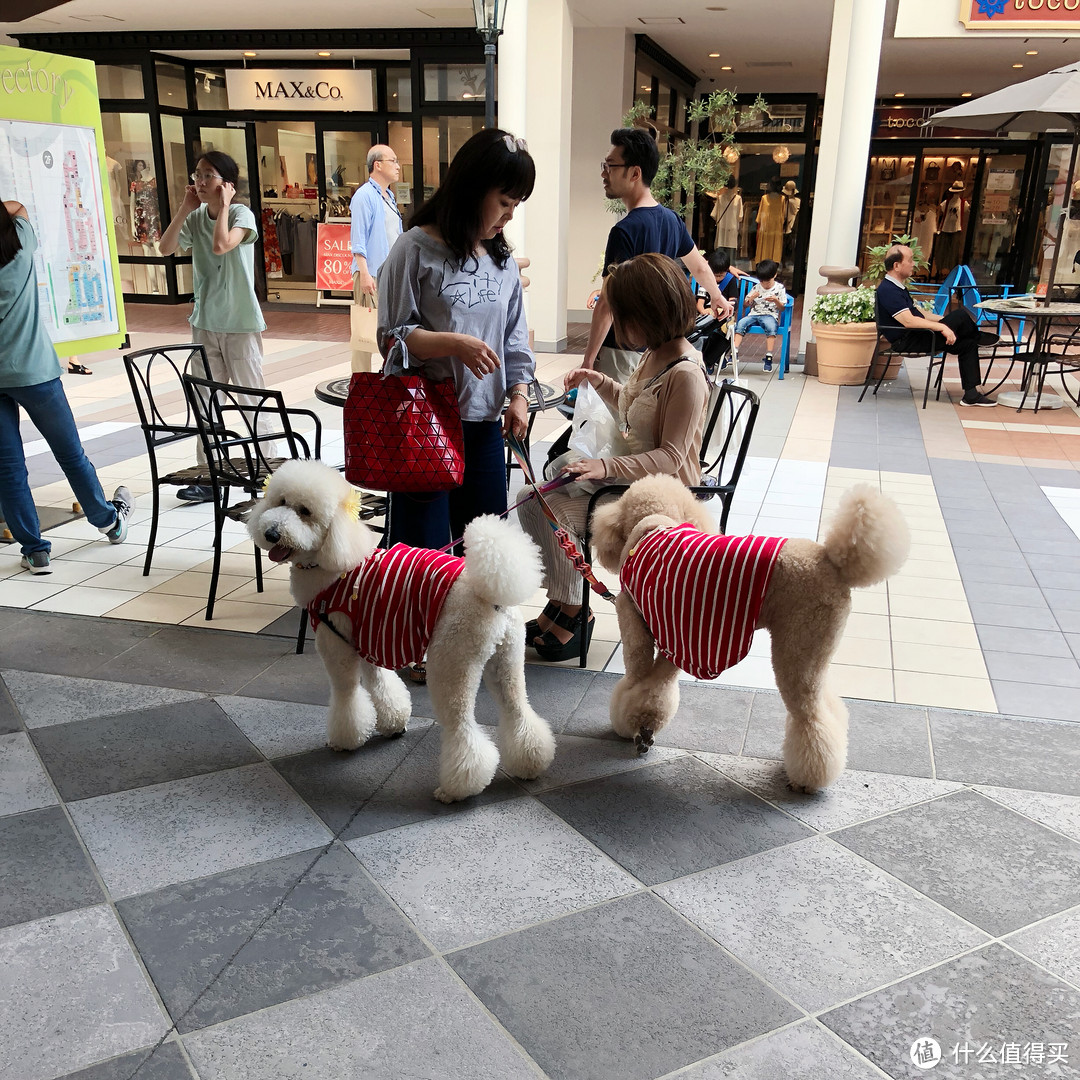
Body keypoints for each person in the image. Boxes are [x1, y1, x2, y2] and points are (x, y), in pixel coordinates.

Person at [518, 253, 709, 662]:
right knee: (532, 497)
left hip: (667, 492)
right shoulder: (658, 352)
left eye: (621, 315)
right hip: (638, 476)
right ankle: (563, 601)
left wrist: (603, 466)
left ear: (646, 312)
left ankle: (573, 610)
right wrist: (599, 380)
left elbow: (672, 458)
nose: (617, 326)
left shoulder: (686, 374)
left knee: (551, 508)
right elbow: (631, 404)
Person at [376, 128, 535, 554]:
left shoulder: (500, 259)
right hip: (423, 420)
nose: (510, 216)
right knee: (422, 553)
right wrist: (455, 343)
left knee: (486, 553)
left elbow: (515, 339)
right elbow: (391, 340)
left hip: (484, 425)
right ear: (472, 189)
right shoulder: (414, 249)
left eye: (516, 205)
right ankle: (418, 623)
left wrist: (518, 395)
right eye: (504, 202)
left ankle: (481, 624)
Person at [0, 200, 133, 575]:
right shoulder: (22, 244)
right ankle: (108, 521)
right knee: (70, 453)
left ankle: (35, 550)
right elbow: (20, 207)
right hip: (35, 372)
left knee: (9, 469)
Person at [582, 127, 732, 383]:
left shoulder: (624, 231)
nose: (603, 173)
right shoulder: (672, 220)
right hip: (655, 349)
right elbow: (699, 267)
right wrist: (718, 298)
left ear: (635, 173)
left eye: (610, 166)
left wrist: (587, 362)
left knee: (616, 419)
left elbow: (607, 303)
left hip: (621, 349)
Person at [158, 151, 266, 502]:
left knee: (252, 400)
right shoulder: (195, 216)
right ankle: (209, 476)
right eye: (198, 174)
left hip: (240, 322)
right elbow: (165, 247)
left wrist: (226, 203)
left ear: (227, 182)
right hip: (205, 323)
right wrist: (184, 210)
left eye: (209, 175)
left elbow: (222, 245)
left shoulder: (241, 214)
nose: (201, 182)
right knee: (206, 401)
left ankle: (266, 473)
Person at [877, 244, 995, 407]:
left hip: (917, 335)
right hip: (907, 340)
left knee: (967, 343)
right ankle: (979, 336)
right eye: (910, 260)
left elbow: (919, 313)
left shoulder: (898, 287)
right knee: (960, 314)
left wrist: (944, 321)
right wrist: (943, 327)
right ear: (896, 265)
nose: (914, 264)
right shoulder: (888, 290)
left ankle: (971, 395)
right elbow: (908, 320)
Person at [350, 144, 403, 301]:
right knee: (371, 324)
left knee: (388, 324)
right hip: (372, 274)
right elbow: (358, 239)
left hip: (390, 273)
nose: (398, 167)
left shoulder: (389, 196)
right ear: (377, 165)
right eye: (393, 161)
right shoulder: (364, 196)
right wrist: (365, 275)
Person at [734, 258, 786, 372]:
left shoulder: (779, 288)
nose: (765, 284)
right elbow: (745, 305)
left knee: (771, 327)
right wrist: (751, 298)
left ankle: (769, 355)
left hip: (770, 315)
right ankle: (735, 351)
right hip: (754, 314)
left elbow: (782, 308)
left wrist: (776, 300)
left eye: (768, 281)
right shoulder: (757, 287)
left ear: (775, 275)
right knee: (741, 323)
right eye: (762, 281)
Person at [755, 178, 785, 264]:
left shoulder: (765, 198)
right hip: (775, 228)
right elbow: (783, 216)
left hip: (767, 227)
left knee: (765, 247)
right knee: (774, 247)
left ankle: (764, 263)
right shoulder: (782, 199)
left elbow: (759, 216)